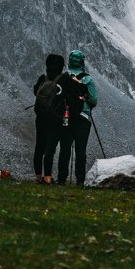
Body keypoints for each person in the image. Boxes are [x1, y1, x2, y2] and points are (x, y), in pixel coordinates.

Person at [56, 49, 98, 185]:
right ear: (82, 62)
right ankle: (80, 180)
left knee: (64, 149)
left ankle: (61, 179)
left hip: (66, 117)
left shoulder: (64, 77)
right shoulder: (87, 79)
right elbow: (93, 100)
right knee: (81, 150)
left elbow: (58, 96)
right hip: (83, 118)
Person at [32, 53, 65, 184]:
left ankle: (38, 177)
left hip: (40, 117)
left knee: (39, 146)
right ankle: (48, 178)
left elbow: (35, 91)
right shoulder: (63, 79)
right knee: (50, 148)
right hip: (56, 118)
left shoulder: (42, 78)